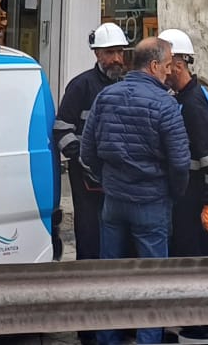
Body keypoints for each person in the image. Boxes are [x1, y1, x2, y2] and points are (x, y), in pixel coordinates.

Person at [80, 37, 189, 345]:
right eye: (168, 66)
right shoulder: (166, 104)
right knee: (152, 281)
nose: (170, 72)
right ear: (154, 66)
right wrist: (173, 192)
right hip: (152, 201)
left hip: (113, 200)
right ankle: (148, 340)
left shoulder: (106, 97)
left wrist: (108, 179)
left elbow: (87, 151)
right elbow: (180, 162)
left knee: (111, 276)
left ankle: (108, 338)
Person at [159, 29, 208, 345]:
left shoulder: (194, 104)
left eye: (163, 65)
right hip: (188, 197)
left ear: (177, 65)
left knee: (193, 261)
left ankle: (197, 331)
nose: (161, 71)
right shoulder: (187, 98)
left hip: (195, 199)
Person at [55, 22, 129, 268]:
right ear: (97, 54)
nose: (117, 59)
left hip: (118, 174)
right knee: (90, 232)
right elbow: (62, 129)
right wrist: (83, 158)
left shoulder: (128, 85)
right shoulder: (81, 86)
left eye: (120, 52)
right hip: (86, 177)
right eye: (110, 53)